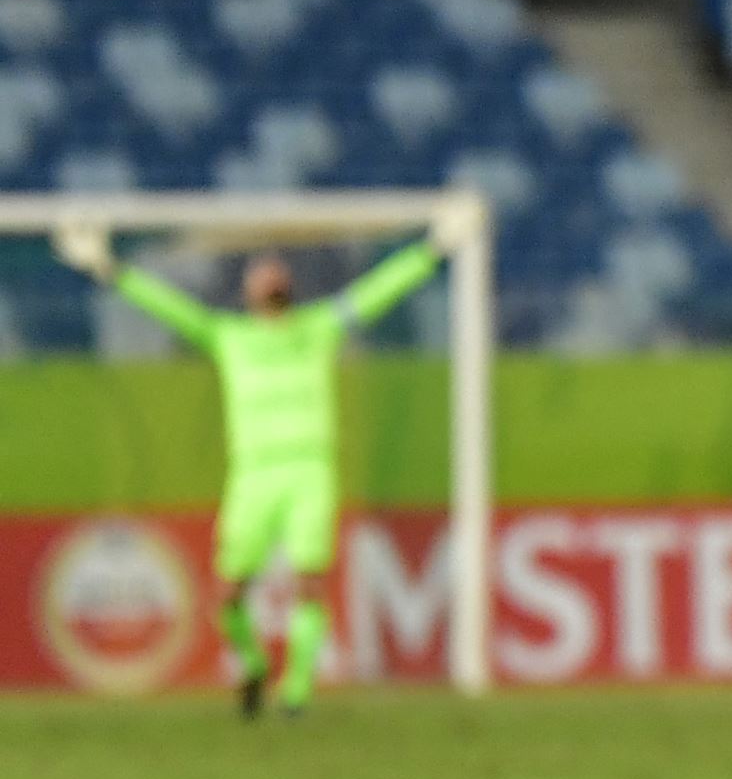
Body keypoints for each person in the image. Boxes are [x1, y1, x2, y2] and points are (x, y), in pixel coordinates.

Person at [55, 220, 464, 718]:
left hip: (309, 471)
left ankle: (296, 689)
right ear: (247, 291)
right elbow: (169, 308)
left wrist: (431, 250)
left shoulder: (318, 328)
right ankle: (252, 665)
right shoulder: (229, 337)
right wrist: (110, 270)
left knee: (311, 580)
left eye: (276, 272)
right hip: (252, 478)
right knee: (228, 594)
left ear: (287, 287)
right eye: (259, 274)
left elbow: (375, 293)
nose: (269, 278)